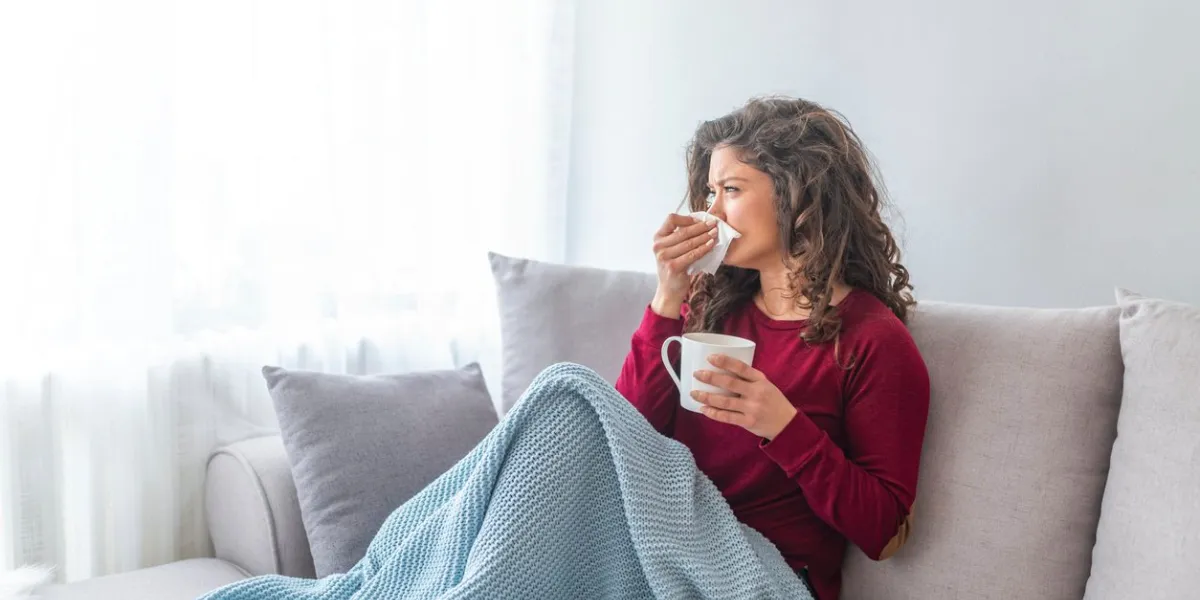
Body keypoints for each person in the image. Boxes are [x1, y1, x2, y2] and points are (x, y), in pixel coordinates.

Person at [615, 96, 931, 600]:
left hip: (766, 578)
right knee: (562, 393)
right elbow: (625, 442)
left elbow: (886, 534)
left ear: (800, 198)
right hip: (665, 555)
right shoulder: (709, 305)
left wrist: (783, 427)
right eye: (710, 191)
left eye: (731, 190)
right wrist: (668, 295)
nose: (711, 211)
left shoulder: (872, 340)